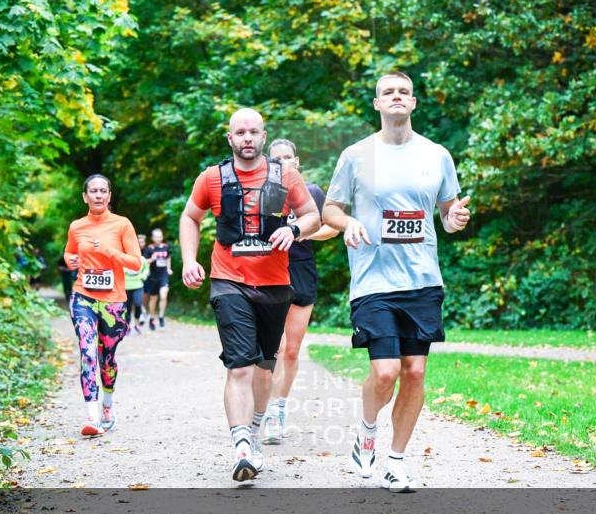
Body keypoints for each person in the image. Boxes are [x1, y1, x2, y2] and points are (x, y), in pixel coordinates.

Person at [321, 72, 471, 492]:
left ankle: (396, 461)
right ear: (377, 104)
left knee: (415, 372)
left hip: (422, 278)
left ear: (414, 102)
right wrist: (348, 222)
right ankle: (367, 432)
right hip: (373, 280)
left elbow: (448, 214)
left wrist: (455, 219)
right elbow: (330, 209)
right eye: (388, 92)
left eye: (404, 91)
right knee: (385, 372)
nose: (397, 97)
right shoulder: (357, 155)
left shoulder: (437, 155)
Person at [180, 108, 320, 482]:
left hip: (275, 284)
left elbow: (313, 216)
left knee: (264, 367)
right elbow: (190, 217)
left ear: (263, 137)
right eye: (240, 132)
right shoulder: (212, 178)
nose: (247, 138)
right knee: (240, 365)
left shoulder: (285, 176)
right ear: (230, 138)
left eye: (253, 132)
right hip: (228, 280)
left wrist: (294, 229)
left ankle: (254, 432)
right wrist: (189, 260)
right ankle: (242, 446)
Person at [260, 139, 339, 444]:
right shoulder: (264, 194)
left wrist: (302, 234)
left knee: (291, 349)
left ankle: (279, 408)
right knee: (275, 347)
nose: (282, 162)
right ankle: (265, 409)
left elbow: (332, 227)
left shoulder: (313, 192)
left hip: (302, 270)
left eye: (287, 157)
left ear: (297, 160)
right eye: (276, 158)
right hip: (270, 271)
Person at [64, 174, 144, 437]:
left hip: (113, 302)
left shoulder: (122, 225)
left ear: (109, 196)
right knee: (87, 353)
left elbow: (136, 263)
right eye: (93, 191)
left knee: (106, 359)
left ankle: (107, 404)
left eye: (103, 191)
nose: (98, 195)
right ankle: (92, 417)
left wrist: (108, 251)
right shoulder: (77, 226)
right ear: (84, 197)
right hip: (83, 297)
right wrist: (70, 260)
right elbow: (69, 251)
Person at [143, 228, 172, 330]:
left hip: (163, 275)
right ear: (152, 238)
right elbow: (145, 261)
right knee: (153, 299)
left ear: (162, 237)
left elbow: (168, 257)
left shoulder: (166, 247)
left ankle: (161, 317)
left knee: (163, 296)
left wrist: (169, 268)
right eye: (156, 237)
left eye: (160, 236)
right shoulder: (149, 248)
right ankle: (151, 317)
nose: (158, 238)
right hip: (153, 277)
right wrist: (152, 259)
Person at [124, 233, 150, 335]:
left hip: (138, 285)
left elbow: (146, 270)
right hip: (126, 286)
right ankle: (128, 327)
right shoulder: (124, 258)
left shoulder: (141, 259)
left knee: (138, 304)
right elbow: (119, 269)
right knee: (128, 308)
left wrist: (143, 276)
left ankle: (136, 325)